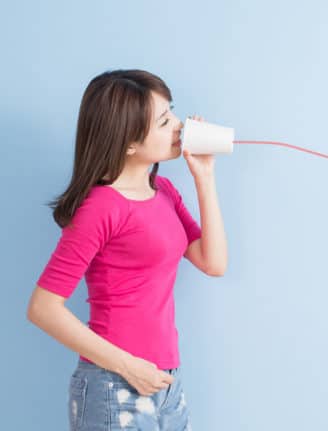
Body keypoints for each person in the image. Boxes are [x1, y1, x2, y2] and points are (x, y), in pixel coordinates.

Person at [27, 70, 227, 430]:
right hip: (115, 384)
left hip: (166, 382)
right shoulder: (101, 207)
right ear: (129, 142)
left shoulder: (164, 190)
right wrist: (128, 366)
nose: (179, 126)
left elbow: (214, 262)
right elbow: (43, 308)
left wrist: (205, 177)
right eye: (164, 121)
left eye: (173, 113)